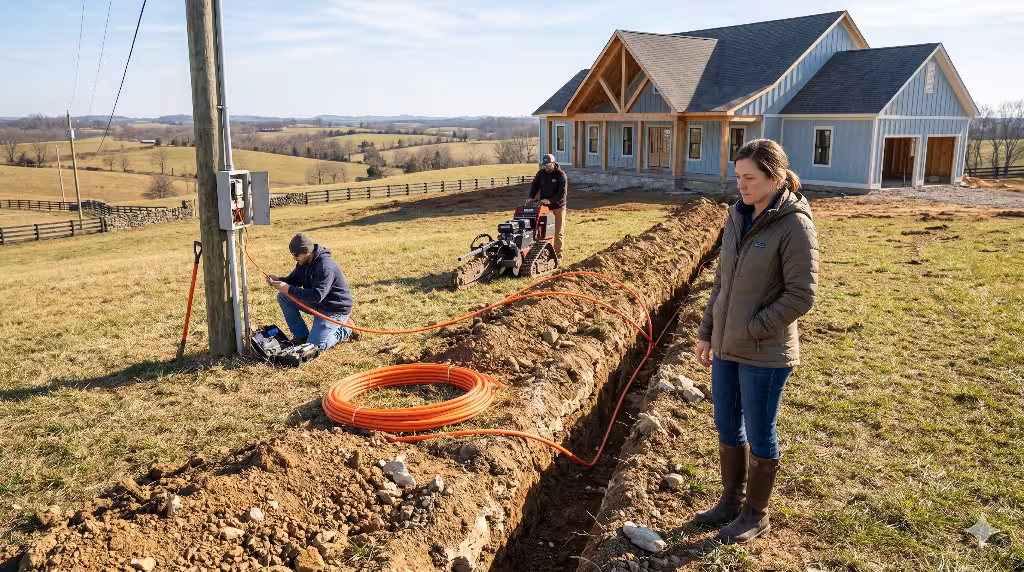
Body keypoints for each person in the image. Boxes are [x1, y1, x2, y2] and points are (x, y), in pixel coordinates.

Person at [693, 138, 819, 545]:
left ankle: (755, 514)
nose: (741, 185)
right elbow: (722, 284)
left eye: (749, 177)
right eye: (738, 177)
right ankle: (730, 502)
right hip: (727, 346)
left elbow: (802, 294)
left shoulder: (794, 224)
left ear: (775, 177)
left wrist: (752, 328)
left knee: (760, 431)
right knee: (728, 425)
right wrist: (707, 332)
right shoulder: (737, 217)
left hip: (765, 351)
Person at [267, 232, 354, 352]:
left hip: (334, 310)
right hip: (318, 304)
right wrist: (278, 280)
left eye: (296, 254)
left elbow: (317, 295)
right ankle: (301, 336)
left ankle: (345, 330)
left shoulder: (325, 267)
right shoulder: (303, 262)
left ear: (307, 251)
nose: (294, 258)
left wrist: (289, 288)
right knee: (284, 296)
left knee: (315, 347)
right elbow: (293, 280)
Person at [527, 154, 568, 256]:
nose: (546, 167)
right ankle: (542, 254)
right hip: (544, 208)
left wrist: (550, 200)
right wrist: (530, 197)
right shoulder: (541, 174)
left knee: (558, 232)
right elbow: (534, 186)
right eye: (544, 165)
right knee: (542, 231)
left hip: (558, 207)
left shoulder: (561, 175)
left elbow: (562, 194)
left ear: (554, 163)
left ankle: (558, 255)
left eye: (548, 165)